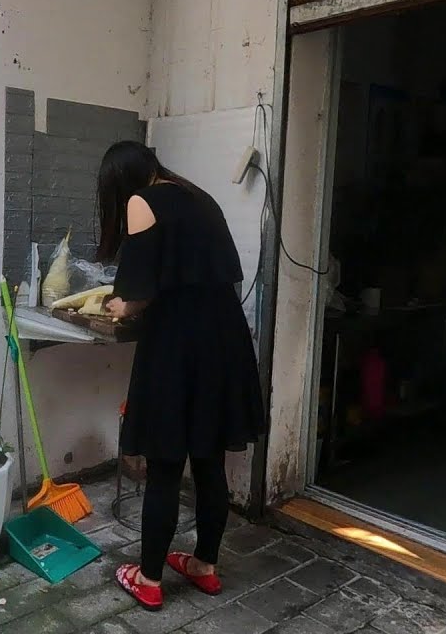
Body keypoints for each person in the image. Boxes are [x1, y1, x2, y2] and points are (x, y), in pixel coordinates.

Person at [97, 140, 265, 612]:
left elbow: (136, 294)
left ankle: (148, 579)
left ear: (121, 180)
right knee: (209, 459)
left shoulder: (140, 201)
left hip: (176, 344)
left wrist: (115, 303)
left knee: (166, 464)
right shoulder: (199, 197)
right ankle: (204, 567)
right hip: (224, 340)